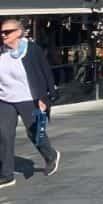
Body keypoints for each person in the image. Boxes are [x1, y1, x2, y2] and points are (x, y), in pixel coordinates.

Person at [0, 17, 61, 187]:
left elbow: (45, 73)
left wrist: (46, 97)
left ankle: (51, 156)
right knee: (4, 135)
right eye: (2, 32)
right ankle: (6, 174)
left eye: (7, 32)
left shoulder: (32, 50)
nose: (3, 35)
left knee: (35, 133)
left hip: (29, 98)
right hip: (5, 99)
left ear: (19, 32)